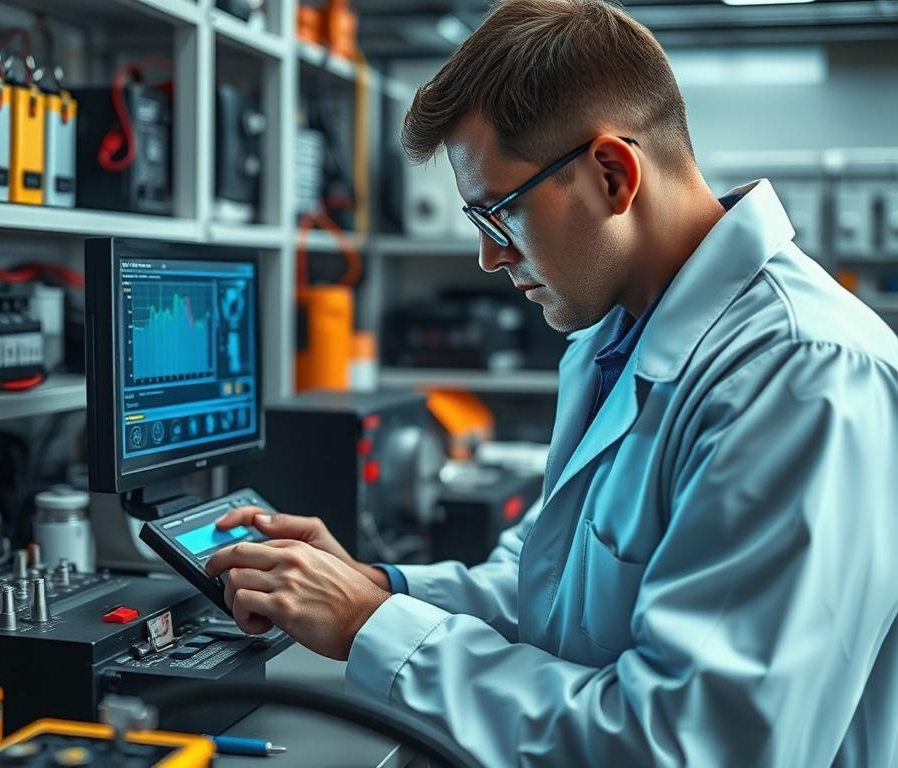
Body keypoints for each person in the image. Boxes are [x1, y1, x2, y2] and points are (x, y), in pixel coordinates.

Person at [205, 0, 898, 765]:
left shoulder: (799, 374)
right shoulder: (615, 336)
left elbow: (694, 744)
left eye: (497, 216)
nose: (488, 258)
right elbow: (548, 586)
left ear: (612, 173)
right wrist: (372, 584)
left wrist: (376, 626)